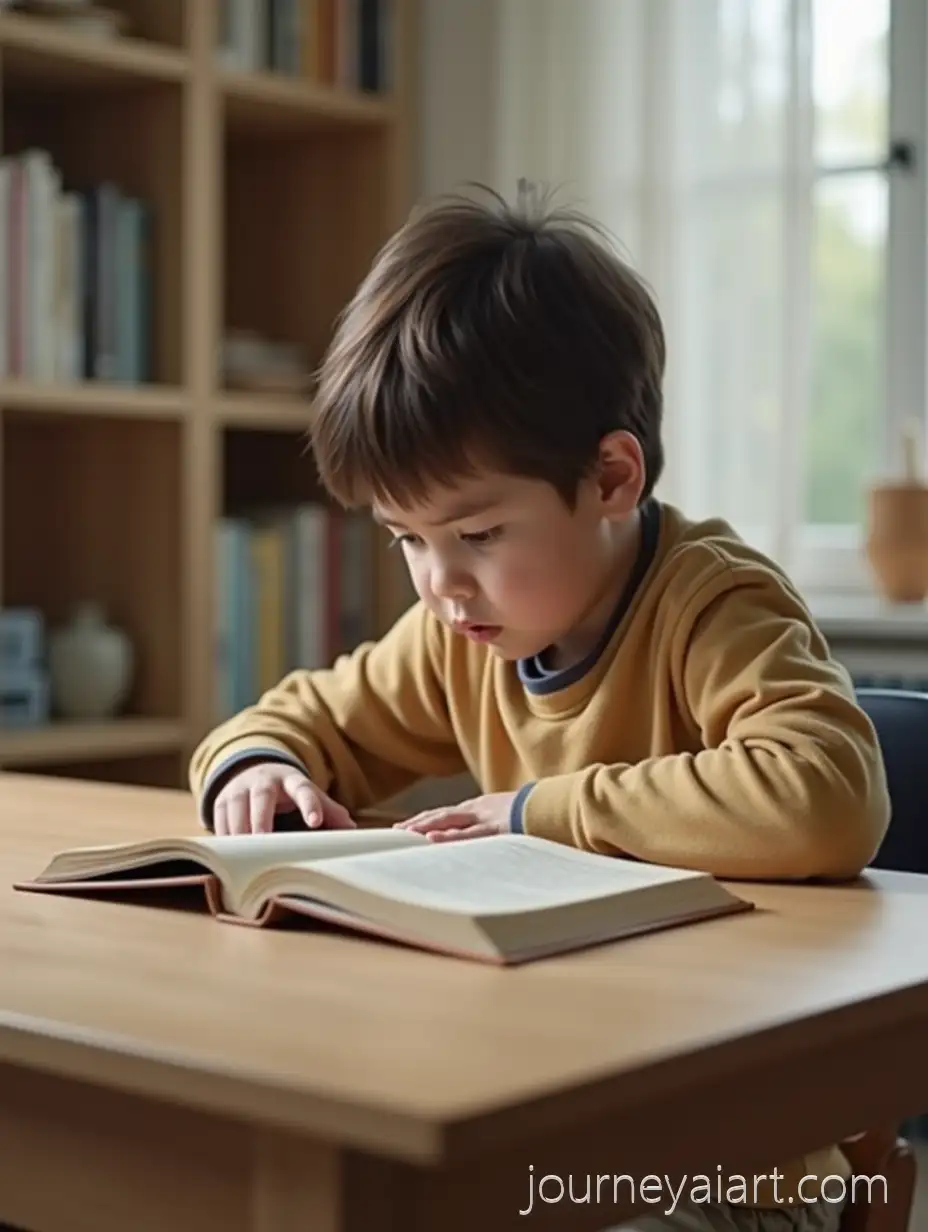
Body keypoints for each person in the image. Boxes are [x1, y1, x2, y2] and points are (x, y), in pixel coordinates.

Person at [188, 186, 889, 1232]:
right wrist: (256, 767)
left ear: (610, 477)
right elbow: (298, 716)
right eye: (404, 539)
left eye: (475, 534)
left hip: (735, 1163)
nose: (438, 583)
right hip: (545, 1117)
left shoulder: (710, 602)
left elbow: (826, 793)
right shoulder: (461, 636)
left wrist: (534, 810)